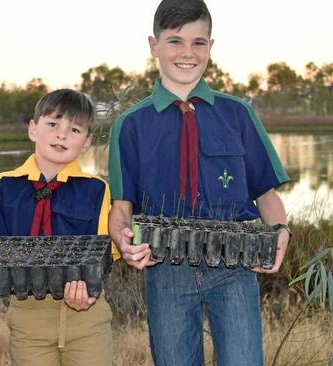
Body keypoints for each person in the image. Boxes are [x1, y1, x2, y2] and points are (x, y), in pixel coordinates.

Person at [107, 0, 291, 365]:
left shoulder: (238, 114)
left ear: (211, 46)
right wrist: (124, 242)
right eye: (175, 41)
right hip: (165, 270)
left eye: (198, 42)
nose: (187, 53)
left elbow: (266, 194)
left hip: (236, 266)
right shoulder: (130, 125)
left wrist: (281, 230)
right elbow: (121, 209)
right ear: (153, 45)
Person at [0, 89, 118, 366]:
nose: (61, 135)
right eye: (53, 124)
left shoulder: (97, 189)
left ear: (87, 142)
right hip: (29, 319)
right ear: (33, 129)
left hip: (87, 317)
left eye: (74, 129)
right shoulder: (1, 187)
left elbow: (100, 255)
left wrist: (88, 286)